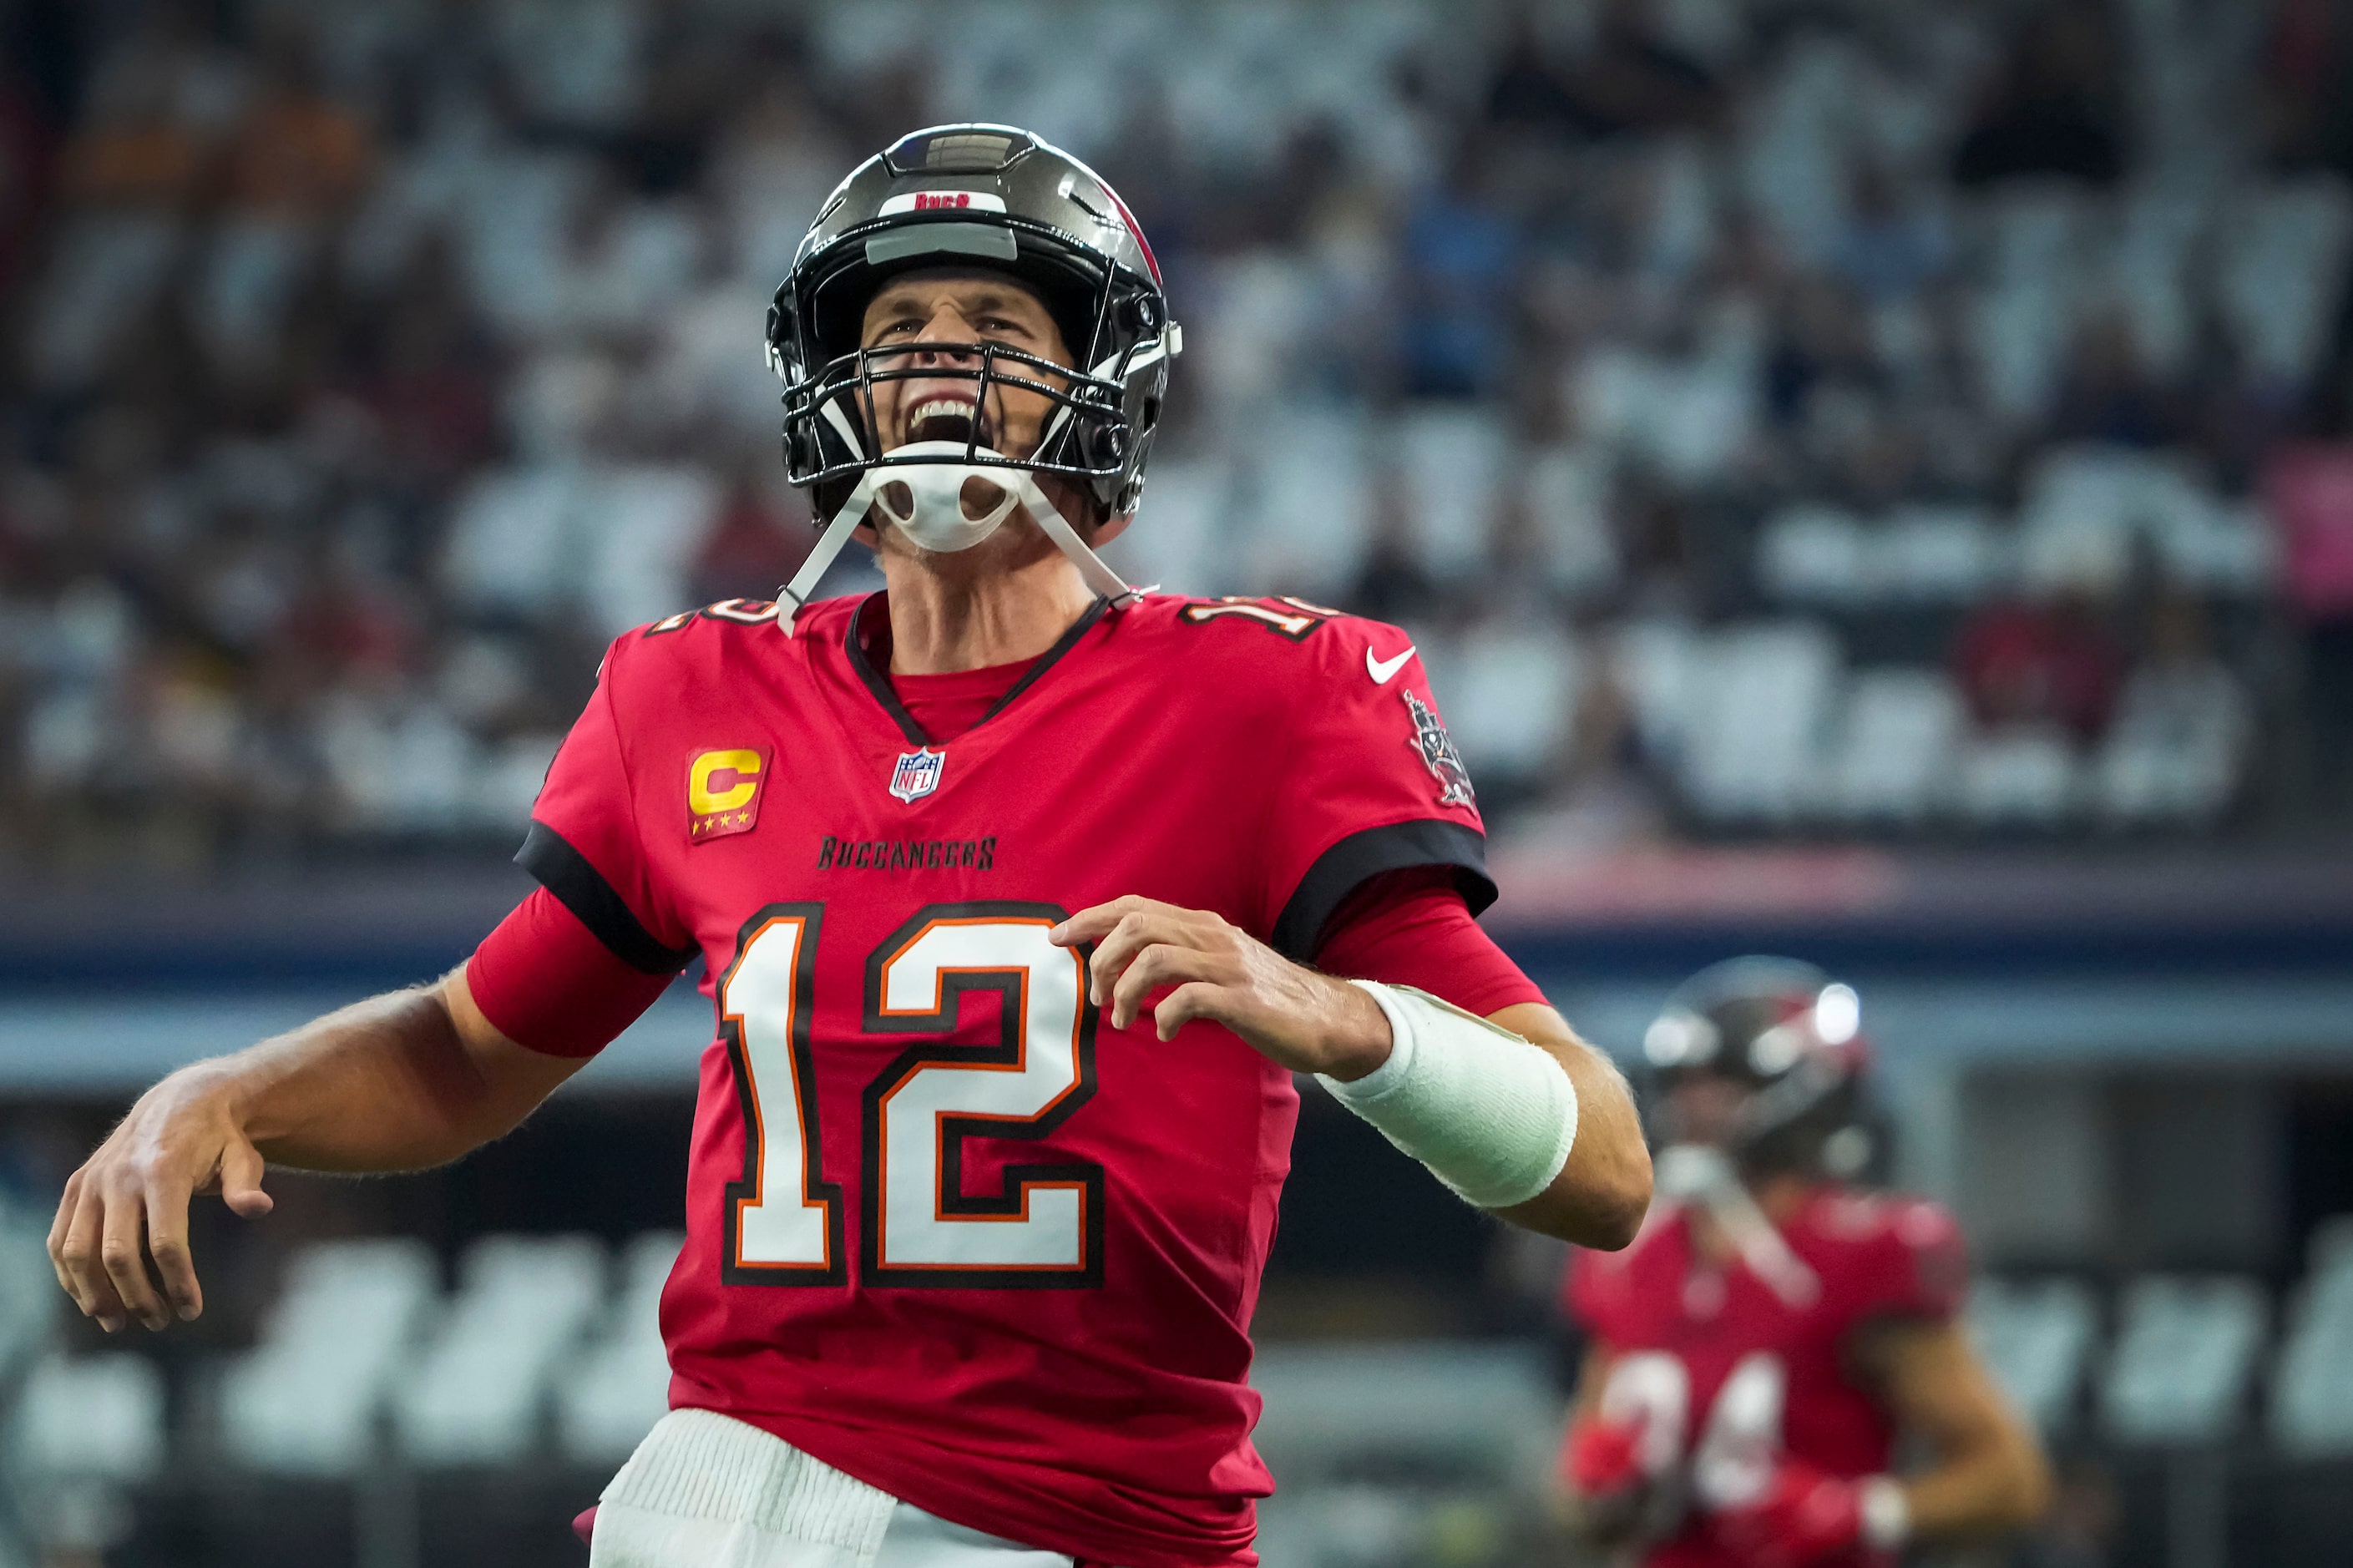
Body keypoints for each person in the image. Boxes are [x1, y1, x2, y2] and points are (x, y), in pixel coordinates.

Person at [48, 124, 1652, 1568]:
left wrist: (1343, 1022)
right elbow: (471, 1050)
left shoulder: (1264, 692)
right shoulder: (690, 691)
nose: (943, 365)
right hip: (735, 1493)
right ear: (834, 379)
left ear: (1105, 381)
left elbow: (1599, 1164)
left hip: (1088, 1520)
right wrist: (217, 1092)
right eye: (898, 330)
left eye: (1001, 329)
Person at [1556, 958, 2049, 1568]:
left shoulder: (1865, 1250)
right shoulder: (1630, 1252)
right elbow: (1579, 1486)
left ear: (1808, 1085)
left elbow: (2010, 1480)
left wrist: (1864, 1512)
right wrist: (1602, 1493)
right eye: (1681, 1082)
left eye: (1720, 1082)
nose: (1691, 1105)